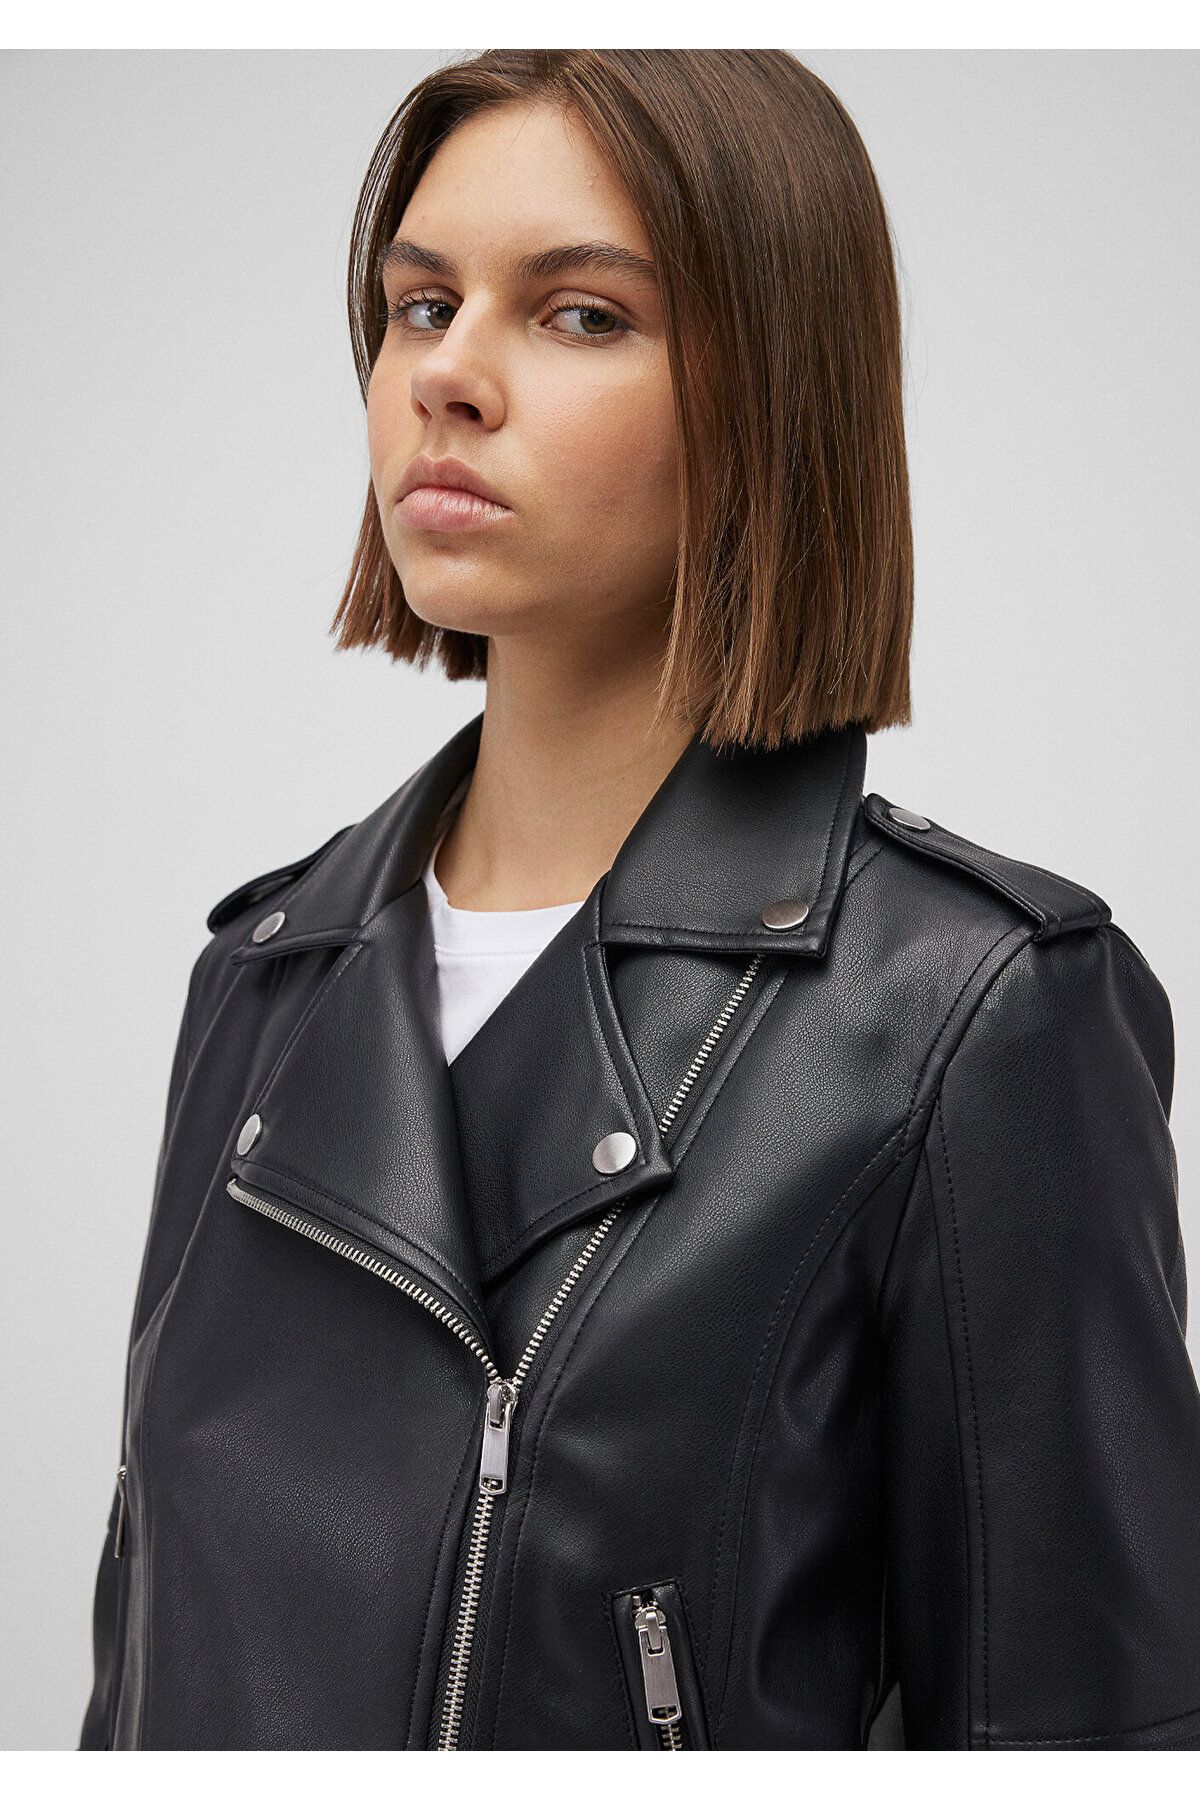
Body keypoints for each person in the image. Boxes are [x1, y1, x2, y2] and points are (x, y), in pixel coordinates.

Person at [80, 48, 1200, 1752]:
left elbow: (1089, 1734)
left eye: (581, 315)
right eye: (420, 304)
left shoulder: (970, 1012)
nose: (447, 375)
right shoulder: (261, 974)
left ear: (773, 391)